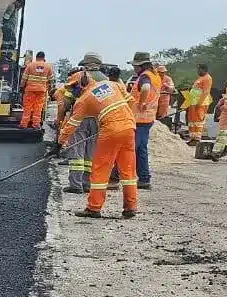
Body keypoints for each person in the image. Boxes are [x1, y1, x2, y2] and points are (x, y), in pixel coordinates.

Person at [57, 72, 139, 219]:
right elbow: (131, 102)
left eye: (74, 86)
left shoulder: (84, 99)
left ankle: (93, 208)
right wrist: (126, 120)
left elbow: (72, 125)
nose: (73, 90)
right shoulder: (113, 85)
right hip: (129, 129)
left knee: (100, 169)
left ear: (83, 82)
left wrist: (59, 144)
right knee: (128, 170)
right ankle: (130, 207)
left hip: (110, 132)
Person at [59, 53, 108, 194]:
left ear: (85, 64)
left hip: (81, 117)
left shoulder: (80, 76)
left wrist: (66, 111)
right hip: (98, 119)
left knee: (77, 151)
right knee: (91, 152)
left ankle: (75, 185)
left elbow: (67, 98)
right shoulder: (105, 79)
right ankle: (88, 183)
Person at [128, 52, 161, 191]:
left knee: (134, 148)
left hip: (140, 118)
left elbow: (146, 88)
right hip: (148, 117)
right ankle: (143, 178)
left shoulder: (145, 76)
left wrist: (141, 102)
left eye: (135, 66)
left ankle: (140, 178)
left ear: (141, 65)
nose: (134, 68)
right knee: (141, 149)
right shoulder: (155, 76)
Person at [19, 51, 54, 128]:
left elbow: (24, 78)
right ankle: (36, 124)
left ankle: (24, 124)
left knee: (28, 107)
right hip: (41, 90)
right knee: (38, 107)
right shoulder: (48, 67)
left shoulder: (30, 65)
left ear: (36, 57)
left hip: (30, 89)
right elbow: (51, 80)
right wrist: (49, 89)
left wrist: (21, 87)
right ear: (44, 58)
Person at [211, 66, 227, 162]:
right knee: (223, 132)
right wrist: (220, 102)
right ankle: (217, 152)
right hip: (226, 112)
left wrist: (225, 107)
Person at [185, 63, 214, 145]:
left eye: (199, 69)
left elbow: (205, 92)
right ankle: (192, 137)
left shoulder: (207, 78)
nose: (197, 71)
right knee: (192, 120)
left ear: (203, 69)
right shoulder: (200, 78)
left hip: (200, 103)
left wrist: (200, 102)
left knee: (198, 121)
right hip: (193, 103)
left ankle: (197, 139)